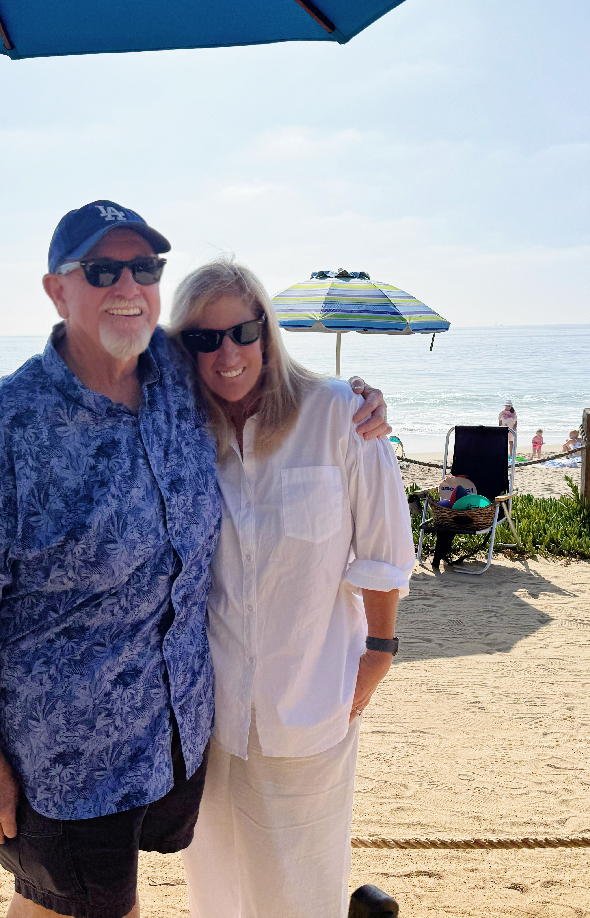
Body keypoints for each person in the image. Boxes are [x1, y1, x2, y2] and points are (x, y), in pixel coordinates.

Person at [0, 201, 390, 918]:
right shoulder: (3, 429)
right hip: (66, 758)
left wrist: (356, 400)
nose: (128, 285)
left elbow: (247, 365)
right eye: (102, 269)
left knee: (87, 904)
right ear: (57, 290)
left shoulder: (175, 375)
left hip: (172, 740)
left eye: (144, 267)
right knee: (68, 907)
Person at [170, 259, 415, 918]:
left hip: (311, 706)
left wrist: (376, 658)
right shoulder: (182, 435)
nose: (227, 353)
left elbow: (387, 554)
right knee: (218, 893)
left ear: (266, 333)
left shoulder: (340, 415)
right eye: (204, 339)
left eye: (242, 332)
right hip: (213, 717)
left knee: (301, 898)